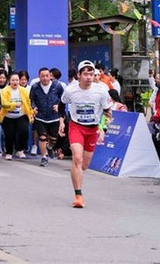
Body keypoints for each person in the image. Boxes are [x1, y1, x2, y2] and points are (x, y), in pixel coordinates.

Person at [61, 60, 113, 208]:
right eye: (85, 74)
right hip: (76, 126)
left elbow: (108, 111)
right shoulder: (71, 90)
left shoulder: (101, 90)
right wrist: (61, 121)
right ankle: (78, 195)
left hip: (92, 129)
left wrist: (102, 127)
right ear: (79, 75)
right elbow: (61, 104)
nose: (89, 77)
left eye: (91, 74)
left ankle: (76, 170)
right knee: (77, 158)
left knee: (84, 165)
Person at [29, 67, 65, 167]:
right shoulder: (35, 87)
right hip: (40, 117)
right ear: (39, 77)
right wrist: (34, 107)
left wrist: (59, 106)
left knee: (53, 139)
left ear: (50, 76)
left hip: (54, 117)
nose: (45, 78)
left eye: (47, 76)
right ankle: (44, 157)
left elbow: (63, 99)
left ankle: (50, 147)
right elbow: (31, 99)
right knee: (42, 137)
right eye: (42, 76)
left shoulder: (57, 86)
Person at [0, 72, 34, 160]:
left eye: (17, 80)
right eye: (13, 80)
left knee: (24, 131)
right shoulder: (5, 91)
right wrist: (14, 104)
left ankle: (20, 150)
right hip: (8, 116)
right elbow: (4, 104)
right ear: (9, 81)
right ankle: (9, 152)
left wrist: (31, 113)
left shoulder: (24, 90)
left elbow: (28, 103)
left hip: (21, 115)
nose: (15, 82)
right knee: (9, 134)